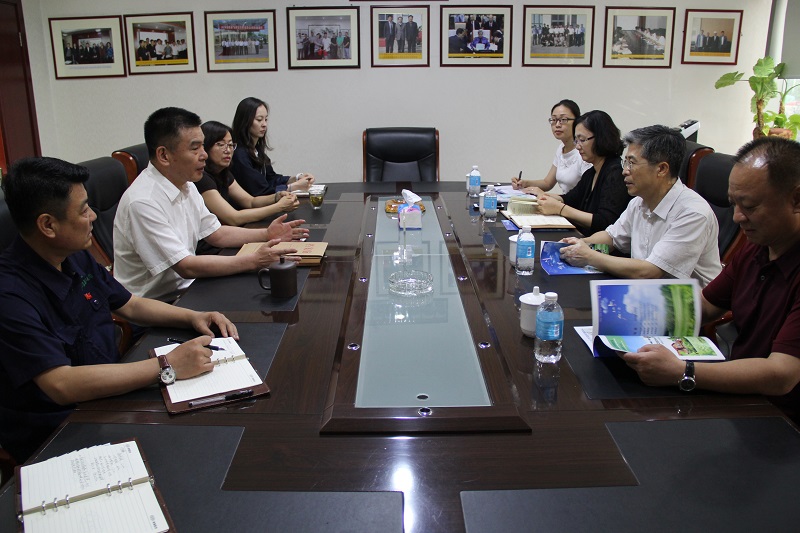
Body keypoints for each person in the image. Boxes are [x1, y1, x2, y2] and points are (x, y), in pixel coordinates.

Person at [0, 157, 239, 463]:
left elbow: (131, 304)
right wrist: (167, 365)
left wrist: (193, 317)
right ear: (48, 225)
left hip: (111, 392)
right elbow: (61, 384)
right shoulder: (10, 294)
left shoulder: (71, 254)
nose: (93, 215)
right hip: (58, 429)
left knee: (212, 430)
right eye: (83, 210)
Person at [622, 137, 800, 422]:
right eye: (733, 204)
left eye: (749, 206)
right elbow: (704, 306)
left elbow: (781, 375)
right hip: (741, 397)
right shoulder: (757, 248)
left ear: (796, 199)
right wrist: (623, 316)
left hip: (782, 420)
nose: (738, 217)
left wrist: (683, 371)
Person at [113, 107, 308, 302]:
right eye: (195, 148)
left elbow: (217, 234)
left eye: (203, 146)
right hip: (156, 304)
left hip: (189, 287)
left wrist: (267, 234)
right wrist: (254, 261)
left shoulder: (186, 184)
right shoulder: (143, 202)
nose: (204, 155)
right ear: (164, 155)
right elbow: (186, 266)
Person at [558, 125, 721, 286]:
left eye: (632, 163)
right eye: (625, 162)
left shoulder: (692, 213)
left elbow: (650, 272)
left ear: (662, 169)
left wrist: (589, 256)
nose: (624, 171)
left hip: (685, 300)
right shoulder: (639, 201)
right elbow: (612, 238)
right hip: (645, 290)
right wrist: (580, 244)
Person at [527, 110, 631, 237]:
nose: (577, 146)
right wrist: (541, 196)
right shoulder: (591, 173)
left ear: (601, 138)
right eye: (576, 140)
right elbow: (569, 199)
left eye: (582, 140)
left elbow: (604, 222)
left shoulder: (615, 173)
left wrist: (560, 209)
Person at [197, 120, 298, 227]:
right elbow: (234, 218)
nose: (228, 150)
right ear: (205, 147)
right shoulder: (202, 178)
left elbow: (250, 202)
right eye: (221, 145)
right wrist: (279, 207)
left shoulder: (224, 173)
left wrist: (276, 197)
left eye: (231, 145)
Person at [230, 97, 315, 197]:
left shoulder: (256, 150)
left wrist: (297, 178)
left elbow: (271, 178)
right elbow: (260, 191)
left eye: (266, 119)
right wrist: (294, 186)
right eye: (259, 120)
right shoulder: (239, 154)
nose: (264, 124)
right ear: (245, 121)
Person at [512, 99, 592, 196]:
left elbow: (586, 195)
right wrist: (525, 183)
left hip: (574, 204)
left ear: (577, 122)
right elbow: (547, 183)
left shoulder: (583, 152)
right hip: (563, 202)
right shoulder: (561, 148)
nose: (557, 125)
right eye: (554, 120)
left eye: (563, 120)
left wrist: (545, 196)